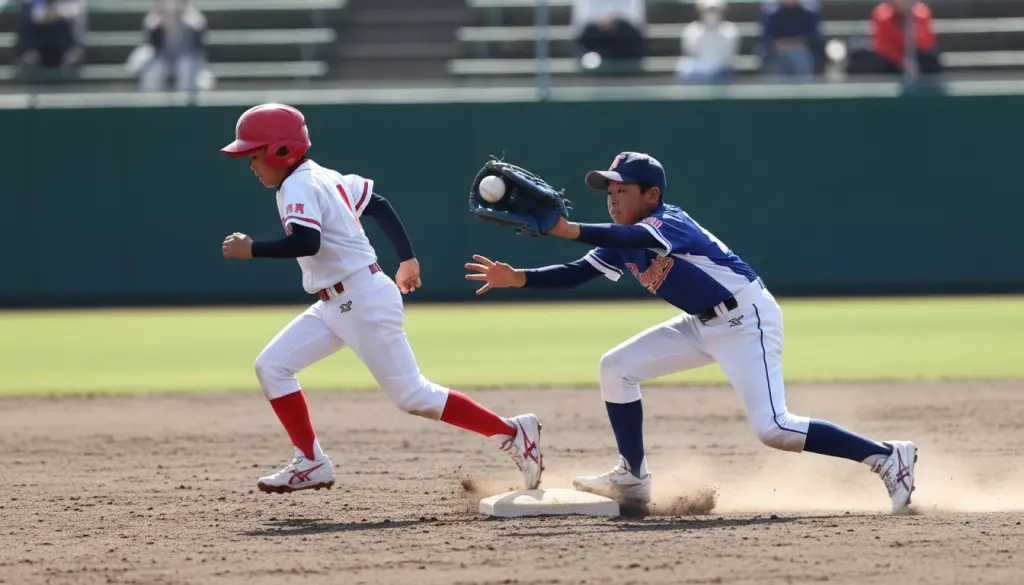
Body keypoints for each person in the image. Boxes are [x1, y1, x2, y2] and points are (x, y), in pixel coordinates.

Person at [464, 151, 918, 514]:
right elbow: (575, 273)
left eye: (621, 189)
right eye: (608, 190)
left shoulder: (666, 223)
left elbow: (629, 240)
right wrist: (518, 277)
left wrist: (567, 228)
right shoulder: (622, 236)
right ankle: (634, 477)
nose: (612, 197)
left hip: (745, 319)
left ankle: (885, 457)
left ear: (651, 194)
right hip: (702, 323)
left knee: (774, 427)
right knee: (616, 368)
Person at [219, 103, 542, 494]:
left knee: (413, 395)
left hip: (360, 299)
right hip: (337, 302)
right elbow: (379, 204)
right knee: (272, 366)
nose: (251, 165)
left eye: (254, 155)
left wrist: (252, 249)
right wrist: (406, 258)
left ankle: (512, 431)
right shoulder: (323, 176)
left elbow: (307, 240)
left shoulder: (298, 184)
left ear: (279, 151)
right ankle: (311, 461)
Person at [757, 0, 825, 81]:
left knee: (801, 58)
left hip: (802, 50)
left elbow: (813, 32)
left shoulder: (809, 7)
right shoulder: (770, 8)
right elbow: (765, 34)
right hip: (775, 51)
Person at [871, 0, 941, 76]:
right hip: (892, 57)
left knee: (929, 58)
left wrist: (913, 31)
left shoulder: (921, 12)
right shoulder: (882, 14)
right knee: (878, 61)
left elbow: (927, 42)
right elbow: (883, 46)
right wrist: (901, 60)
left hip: (917, 55)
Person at [677, 0, 739, 84]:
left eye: (715, 11)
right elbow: (691, 53)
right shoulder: (691, 30)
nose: (711, 15)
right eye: (707, 11)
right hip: (697, 73)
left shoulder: (730, 30)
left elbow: (727, 56)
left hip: (719, 72)